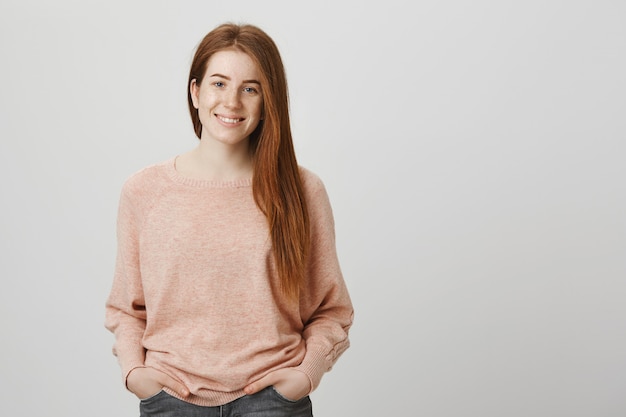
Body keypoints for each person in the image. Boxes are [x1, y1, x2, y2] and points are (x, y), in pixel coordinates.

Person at [104, 22, 353, 416]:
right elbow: (126, 308)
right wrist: (135, 371)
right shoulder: (144, 191)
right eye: (219, 84)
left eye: (250, 88)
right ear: (195, 92)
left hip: (272, 402)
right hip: (172, 399)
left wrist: (306, 373)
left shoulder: (303, 191)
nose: (232, 102)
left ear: (267, 101)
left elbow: (331, 309)